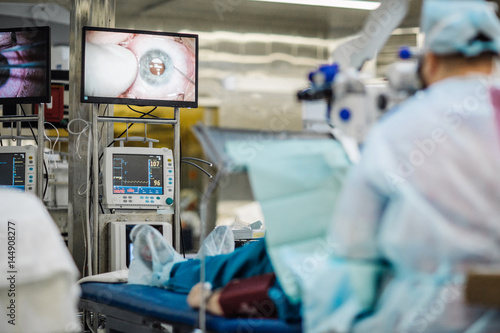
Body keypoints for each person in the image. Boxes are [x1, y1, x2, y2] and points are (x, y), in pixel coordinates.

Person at [129, 0, 500, 331]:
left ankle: (173, 270)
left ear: (430, 60)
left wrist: (223, 302)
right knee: (269, 256)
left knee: (276, 259)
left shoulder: (401, 132)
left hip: (410, 315)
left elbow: (348, 268)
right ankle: (182, 269)